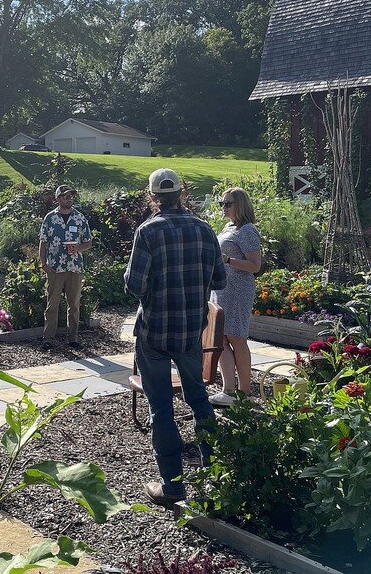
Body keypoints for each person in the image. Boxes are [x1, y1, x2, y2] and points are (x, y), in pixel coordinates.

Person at [124, 168, 227, 506]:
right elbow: (220, 281)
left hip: (154, 332)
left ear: (152, 196)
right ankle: (214, 476)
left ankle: (172, 486)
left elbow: (133, 286)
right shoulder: (203, 228)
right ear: (182, 194)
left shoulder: (148, 232)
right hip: (190, 332)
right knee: (199, 401)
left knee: (161, 409)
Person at [209, 188, 263, 407]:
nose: (223, 207)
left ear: (240, 205)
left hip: (237, 291)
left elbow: (255, 266)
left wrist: (227, 260)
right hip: (222, 290)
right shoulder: (228, 227)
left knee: (237, 338)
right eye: (222, 203)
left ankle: (244, 392)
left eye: (227, 204)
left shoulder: (248, 230)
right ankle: (228, 390)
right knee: (220, 339)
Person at [37, 184, 93, 350]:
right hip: (55, 268)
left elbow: (88, 242)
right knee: (52, 305)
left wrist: (78, 248)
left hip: (75, 268)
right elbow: (43, 242)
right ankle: (48, 338)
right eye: (65, 196)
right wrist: (44, 264)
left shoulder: (80, 218)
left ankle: (73, 338)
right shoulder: (50, 218)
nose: (68, 199)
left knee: (74, 305)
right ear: (58, 199)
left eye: (70, 196)